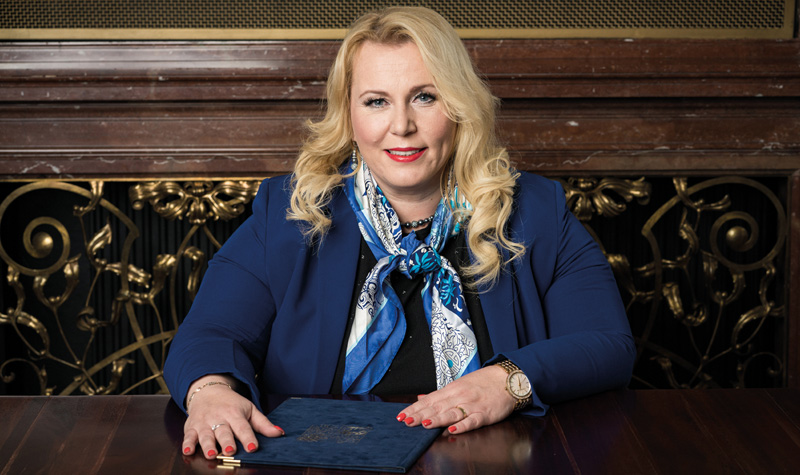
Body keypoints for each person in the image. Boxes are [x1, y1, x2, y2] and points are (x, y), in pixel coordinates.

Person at [164, 6, 635, 460]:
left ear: (459, 106)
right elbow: (208, 333)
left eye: (425, 97)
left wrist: (509, 381)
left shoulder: (534, 210)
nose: (402, 126)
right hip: (323, 461)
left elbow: (608, 345)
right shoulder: (291, 213)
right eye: (377, 102)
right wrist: (211, 392)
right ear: (349, 116)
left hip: (493, 460)